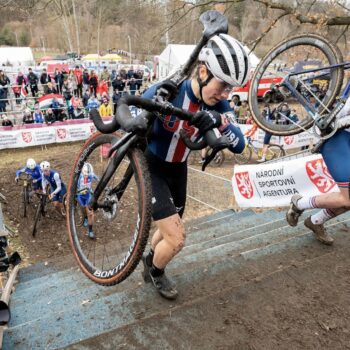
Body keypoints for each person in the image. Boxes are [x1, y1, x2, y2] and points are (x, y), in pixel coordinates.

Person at [134, 34, 250, 300]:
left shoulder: (219, 105)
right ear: (202, 71)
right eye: (222, 86)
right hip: (153, 166)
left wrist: (220, 120)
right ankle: (156, 271)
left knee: (168, 231)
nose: (225, 94)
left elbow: (239, 144)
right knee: (176, 239)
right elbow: (134, 110)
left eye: (230, 89)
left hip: (179, 170)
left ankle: (151, 259)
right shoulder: (171, 91)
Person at [286, 95, 350, 245]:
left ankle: (315, 221)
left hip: (344, 138)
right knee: (347, 199)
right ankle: (299, 204)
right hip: (337, 138)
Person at [76, 163, 99, 239]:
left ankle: (90, 231)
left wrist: (105, 187)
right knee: (83, 209)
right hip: (80, 196)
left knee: (90, 213)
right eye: (85, 174)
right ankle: (85, 218)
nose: (86, 175)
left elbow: (99, 180)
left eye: (88, 174)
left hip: (88, 195)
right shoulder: (78, 175)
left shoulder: (91, 174)